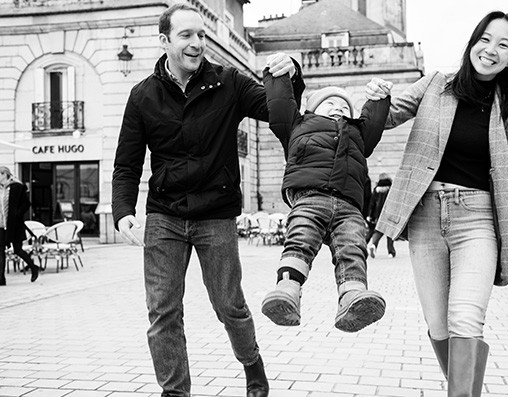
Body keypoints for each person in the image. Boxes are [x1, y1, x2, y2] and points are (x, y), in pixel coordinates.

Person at [111, 4, 304, 397]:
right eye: (186, 35)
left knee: (228, 305)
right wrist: (123, 214)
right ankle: (175, 391)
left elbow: (276, 109)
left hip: (215, 213)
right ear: (164, 41)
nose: (197, 43)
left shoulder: (228, 83)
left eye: (201, 35)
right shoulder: (142, 96)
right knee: (163, 311)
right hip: (164, 214)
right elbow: (126, 165)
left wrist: (290, 75)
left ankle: (252, 364)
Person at [366, 11, 508, 396]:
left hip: (478, 219)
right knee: (438, 324)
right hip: (426, 219)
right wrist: (367, 97)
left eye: (503, 45)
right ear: (473, 42)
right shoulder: (436, 85)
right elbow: (389, 113)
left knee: (466, 318)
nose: (491, 49)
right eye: (486, 38)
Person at [260, 68, 390, 333]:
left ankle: (352, 296)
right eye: (330, 103)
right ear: (312, 109)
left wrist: (379, 98)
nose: (338, 108)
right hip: (310, 196)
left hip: (349, 207)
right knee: (301, 238)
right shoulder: (298, 125)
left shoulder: (357, 134)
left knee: (353, 246)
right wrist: (278, 74)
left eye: (344, 106)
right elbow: (281, 104)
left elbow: (374, 121)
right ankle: (288, 289)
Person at [0, 166, 40, 285]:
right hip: (1, 225)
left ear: (5, 174)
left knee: (18, 250)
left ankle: (33, 267)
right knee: (0, 251)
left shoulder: (17, 187)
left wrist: (17, 214)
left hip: (14, 225)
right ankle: (1, 279)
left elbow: (26, 204)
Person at [366, 173, 396, 258]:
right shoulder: (391, 188)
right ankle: (391, 252)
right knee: (390, 232)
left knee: (378, 231)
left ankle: (373, 245)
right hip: (390, 212)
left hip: (378, 214)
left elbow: (372, 204)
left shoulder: (376, 189)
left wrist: (370, 215)